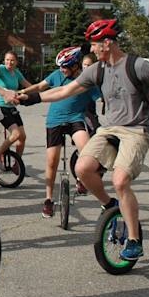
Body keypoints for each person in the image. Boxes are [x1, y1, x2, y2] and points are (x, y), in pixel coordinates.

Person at [11, 19, 149, 261]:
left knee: (120, 180)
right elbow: (64, 91)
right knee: (82, 168)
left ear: (107, 43)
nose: (92, 50)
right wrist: (31, 98)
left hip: (136, 130)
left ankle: (134, 239)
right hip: (109, 129)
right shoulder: (97, 70)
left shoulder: (139, 66)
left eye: (94, 45)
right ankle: (110, 204)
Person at [16, 46, 100, 218]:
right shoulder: (56, 75)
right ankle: (48, 200)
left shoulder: (86, 80)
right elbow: (40, 86)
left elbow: (103, 95)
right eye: (60, 66)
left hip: (76, 118)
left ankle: (81, 179)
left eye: (65, 67)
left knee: (87, 151)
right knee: (52, 162)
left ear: (76, 66)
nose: (62, 70)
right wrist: (23, 91)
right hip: (55, 121)